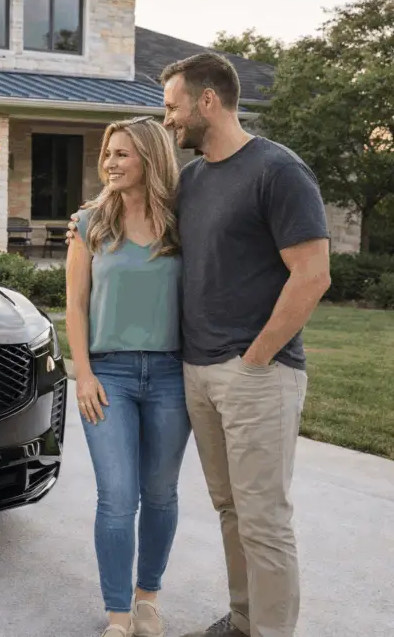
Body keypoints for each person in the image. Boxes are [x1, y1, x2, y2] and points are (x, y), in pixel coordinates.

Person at [66, 53, 332, 637]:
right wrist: (92, 216)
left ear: (206, 101)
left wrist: (256, 358)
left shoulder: (276, 170)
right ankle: (241, 621)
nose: (168, 120)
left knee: (264, 517)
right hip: (196, 373)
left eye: (172, 105)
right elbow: (130, 221)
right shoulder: (191, 183)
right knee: (232, 510)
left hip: (255, 373)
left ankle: (267, 631)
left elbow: (313, 275)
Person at [65, 115, 190, 637]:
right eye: (108, 154)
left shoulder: (184, 222)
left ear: (151, 159)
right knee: (118, 498)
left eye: (122, 154)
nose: (110, 163)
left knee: (160, 494)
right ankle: (118, 614)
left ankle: (147, 599)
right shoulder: (90, 224)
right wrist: (84, 376)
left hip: (170, 375)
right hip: (108, 375)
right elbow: (73, 307)